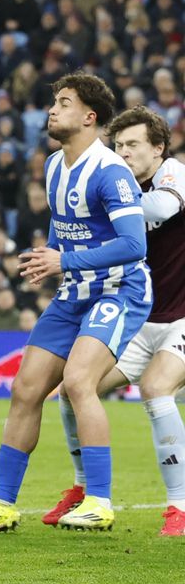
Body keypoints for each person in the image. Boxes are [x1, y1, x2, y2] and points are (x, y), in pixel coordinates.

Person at [0, 75, 151, 535]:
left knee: (79, 381)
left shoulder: (111, 172)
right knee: (25, 390)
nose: (52, 110)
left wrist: (62, 259)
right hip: (74, 294)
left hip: (118, 290)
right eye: (53, 103)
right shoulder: (52, 166)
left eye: (63, 103)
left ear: (89, 117)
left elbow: (134, 244)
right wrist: (49, 261)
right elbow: (65, 228)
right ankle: (1, 505)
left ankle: (99, 501)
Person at [44, 106, 185, 536]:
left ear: (158, 148)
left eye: (133, 145)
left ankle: (179, 506)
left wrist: (110, 199)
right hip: (141, 316)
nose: (123, 153)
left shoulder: (173, 173)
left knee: (156, 387)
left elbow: (160, 206)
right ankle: (84, 489)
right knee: (74, 386)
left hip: (182, 316)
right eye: (118, 145)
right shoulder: (111, 184)